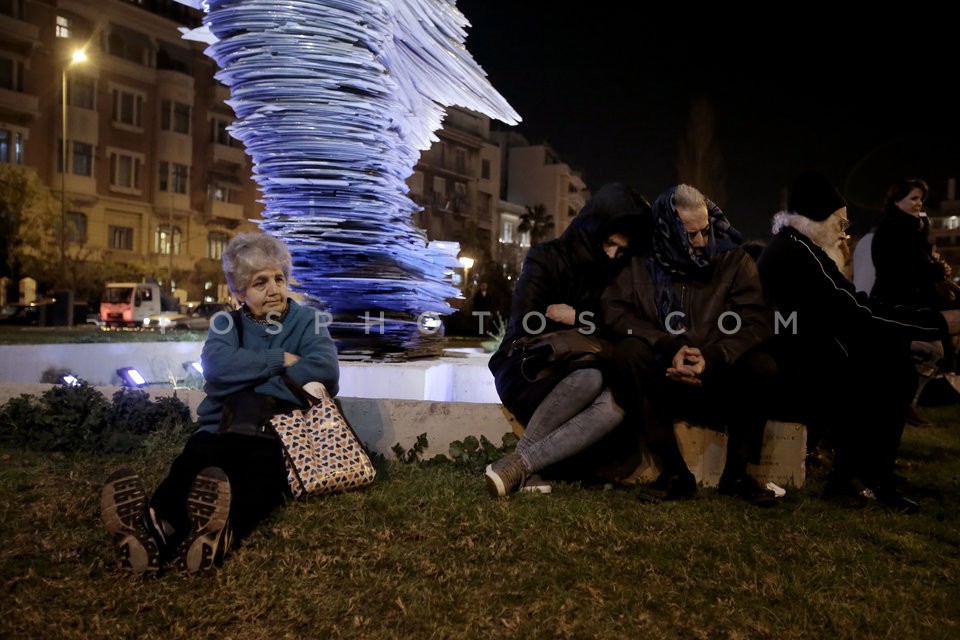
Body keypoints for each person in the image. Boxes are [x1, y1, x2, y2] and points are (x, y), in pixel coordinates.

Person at [99, 232, 340, 573]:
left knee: (258, 477)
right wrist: (278, 361)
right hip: (222, 428)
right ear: (239, 292)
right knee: (194, 464)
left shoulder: (308, 321)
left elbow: (323, 372)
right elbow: (216, 367)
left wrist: (243, 380)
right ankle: (155, 531)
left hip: (280, 433)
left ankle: (217, 537)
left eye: (278, 278)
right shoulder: (227, 323)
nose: (273, 289)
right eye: (260, 283)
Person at [756, 170, 960, 513]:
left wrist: (914, 335)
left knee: (893, 366)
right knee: (886, 371)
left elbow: (853, 305)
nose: (843, 231)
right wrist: (936, 323)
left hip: (811, 348)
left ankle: (867, 476)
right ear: (819, 217)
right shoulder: (798, 252)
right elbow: (851, 310)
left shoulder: (804, 249)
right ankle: (857, 478)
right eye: (840, 222)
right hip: (793, 358)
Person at [602, 184, 779, 506]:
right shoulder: (639, 261)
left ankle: (737, 475)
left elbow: (757, 320)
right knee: (627, 354)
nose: (701, 241)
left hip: (717, 375)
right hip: (662, 376)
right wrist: (668, 346)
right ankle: (673, 472)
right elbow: (614, 311)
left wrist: (712, 356)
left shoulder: (733, 259)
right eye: (690, 234)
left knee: (762, 365)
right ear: (667, 231)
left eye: (705, 230)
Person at [485, 182, 651, 497]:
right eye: (609, 243)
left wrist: (578, 317)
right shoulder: (545, 257)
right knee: (589, 377)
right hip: (528, 368)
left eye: (622, 250)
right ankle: (528, 464)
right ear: (592, 228)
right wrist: (596, 324)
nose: (613, 254)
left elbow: (623, 323)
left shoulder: (616, 275)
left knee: (617, 401)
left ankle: (520, 465)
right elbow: (527, 320)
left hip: (586, 369)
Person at [869, 178, 959, 426]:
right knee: (925, 352)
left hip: (917, 303)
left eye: (921, 199)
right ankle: (901, 403)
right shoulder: (890, 230)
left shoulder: (918, 229)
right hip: (896, 304)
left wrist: (937, 269)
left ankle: (903, 402)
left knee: (931, 352)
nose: (918, 203)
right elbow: (899, 270)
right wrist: (934, 271)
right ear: (897, 200)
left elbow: (922, 264)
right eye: (913, 198)